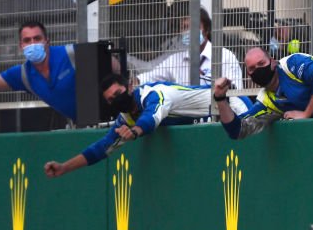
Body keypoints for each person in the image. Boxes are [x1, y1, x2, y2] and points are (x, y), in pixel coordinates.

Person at [44, 73, 250, 177]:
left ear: (130, 86)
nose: (116, 100)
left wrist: (134, 133)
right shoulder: (125, 117)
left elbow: (151, 118)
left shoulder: (155, 93)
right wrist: (64, 167)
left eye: (118, 94)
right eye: (110, 100)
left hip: (233, 108)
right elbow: (102, 148)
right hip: (215, 128)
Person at [213, 47, 313, 140]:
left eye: (261, 64)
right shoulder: (266, 101)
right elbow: (237, 130)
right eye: (252, 68)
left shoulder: (292, 64)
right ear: (249, 75)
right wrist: (220, 98)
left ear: (272, 62)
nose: (258, 70)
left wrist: (306, 113)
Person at [0, 20, 78, 122]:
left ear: (47, 41)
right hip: (81, 124)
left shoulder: (70, 53)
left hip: (93, 119)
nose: (32, 44)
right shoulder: (23, 74)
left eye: (37, 39)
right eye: (27, 40)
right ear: (21, 46)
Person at [144, 8, 243, 86]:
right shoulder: (175, 60)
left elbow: (236, 91)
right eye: (185, 27)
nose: (189, 32)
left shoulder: (225, 56)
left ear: (207, 30)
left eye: (195, 27)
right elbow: (151, 76)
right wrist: (136, 81)